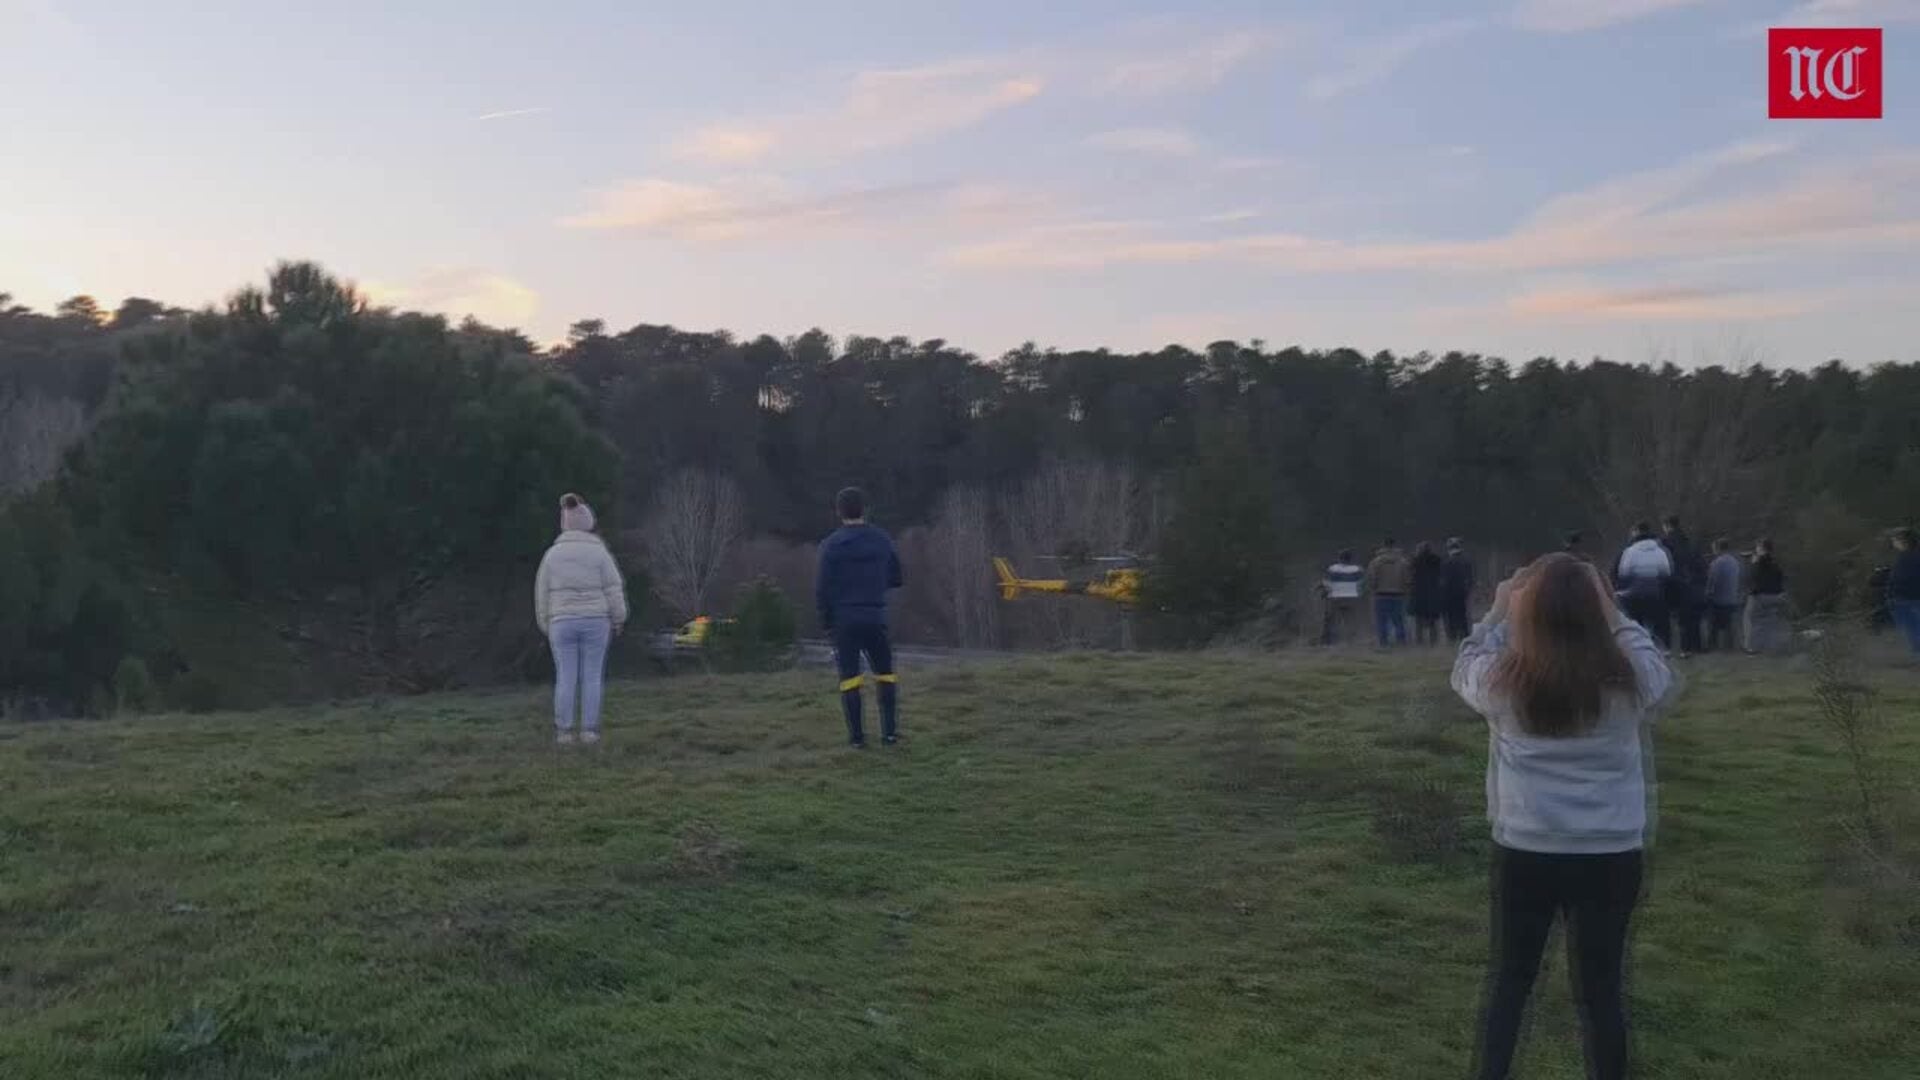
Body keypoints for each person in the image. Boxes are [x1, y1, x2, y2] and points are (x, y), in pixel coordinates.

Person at [1452, 553, 1675, 1080]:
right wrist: (1613, 612)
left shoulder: (1503, 683)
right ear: (1598, 608)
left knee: (1510, 983)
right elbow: (1655, 663)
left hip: (1526, 848)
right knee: (1601, 992)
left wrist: (1498, 611)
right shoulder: (1630, 680)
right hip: (1611, 852)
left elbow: (1464, 662)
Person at [534, 493, 629, 747]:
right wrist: (619, 618)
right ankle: (589, 731)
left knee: (565, 677)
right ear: (588, 522)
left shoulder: (552, 555)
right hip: (596, 620)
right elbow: (613, 587)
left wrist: (546, 622)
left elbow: (541, 592)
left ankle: (564, 732)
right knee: (592, 676)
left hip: (561, 621)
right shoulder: (600, 554)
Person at [816, 487, 904, 748]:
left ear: (838, 511)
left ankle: (857, 739)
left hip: (844, 620)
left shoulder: (831, 545)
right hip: (875, 615)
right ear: (864, 509)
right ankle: (889, 734)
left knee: (850, 679)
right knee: (885, 675)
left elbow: (822, 589)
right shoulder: (882, 540)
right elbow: (896, 577)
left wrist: (827, 623)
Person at [1615, 522, 1673, 649]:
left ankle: (1638, 644)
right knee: (1658, 619)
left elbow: (1623, 573)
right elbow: (1667, 572)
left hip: (1634, 594)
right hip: (1655, 593)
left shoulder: (1630, 551)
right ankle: (1663, 646)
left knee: (1634, 619)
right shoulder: (1660, 551)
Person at [1660, 516, 1706, 657]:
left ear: (1667, 526)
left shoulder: (1664, 543)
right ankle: (1690, 648)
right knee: (1689, 619)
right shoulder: (1689, 542)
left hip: (1671, 583)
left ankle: (1669, 649)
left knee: (1667, 618)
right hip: (1691, 583)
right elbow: (1701, 565)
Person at [1744, 539, 1790, 655]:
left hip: (1760, 597)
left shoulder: (1759, 562)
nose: (1756, 549)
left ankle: (1752, 648)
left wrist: (1753, 563)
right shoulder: (1775, 563)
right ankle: (1769, 647)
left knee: (1753, 622)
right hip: (1775, 597)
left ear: (1761, 548)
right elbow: (1780, 578)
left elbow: (1752, 579)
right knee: (1769, 623)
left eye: (1757, 547)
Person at [1366, 537, 1413, 648]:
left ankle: (1383, 643)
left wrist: (1373, 589)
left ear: (1383, 545)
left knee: (1382, 622)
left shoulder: (1375, 562)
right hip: (1398, 595)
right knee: (1399, 621)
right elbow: (1408, 579)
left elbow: (1371, 578)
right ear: (1394, 545)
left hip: (1381, 594)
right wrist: (1405, 590)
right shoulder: (1403, 561)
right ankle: (1401, 643)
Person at [1705, 538, 1744, 653]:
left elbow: (1712, 582)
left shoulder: (1717, 563)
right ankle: (1730, 648)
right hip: (1732, 598)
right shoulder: (1735, 562)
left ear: (1718, 548)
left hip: (1719, 600)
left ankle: (1712, 648)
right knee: (1729, 627)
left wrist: (1708, 594)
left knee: (1713, 627)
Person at [1886, 527, 1920, 656]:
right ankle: (1916, 654)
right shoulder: (1905, 556)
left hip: (1908, 597)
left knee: (1911, 627)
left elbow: (1903, 578)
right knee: (1910, 627)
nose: (1893, 542)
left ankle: (1917, 654)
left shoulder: (1911, 556)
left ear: (1904, 541)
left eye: (1895, 539)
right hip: (1904, 597)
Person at [1321, 550, 1366, 646]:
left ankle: (1331, 642)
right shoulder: (1358, 569)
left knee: (1332, 620)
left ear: (1339, 558)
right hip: (1352, 597)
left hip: (1335, 597)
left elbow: (1326, 583)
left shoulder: (1332, 568)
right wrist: (1359, 593)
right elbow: (1361, 583)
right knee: (1350, 620)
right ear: (1351, 559)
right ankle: (1351, 641)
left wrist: (1326, 592)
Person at [1442, 537, 1477, 643]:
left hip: (1449, 594)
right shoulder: (1467, 561)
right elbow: (1471, 578)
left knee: (1451, 617)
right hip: (1463, 593)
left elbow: (1444, 580)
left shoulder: (1447, 562)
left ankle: (1452, 637)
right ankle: (1465, 637)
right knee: (1463, 617)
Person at [1410, 541, 1446, 646]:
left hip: (1418, 595)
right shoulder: (1437, 561)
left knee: (1419, 622)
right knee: (1433, 622)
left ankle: (1419, 642)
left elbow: (1410, 576)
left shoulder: (1415, 561)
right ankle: (1433, 642)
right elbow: (1441, 577)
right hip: (1433, 594)